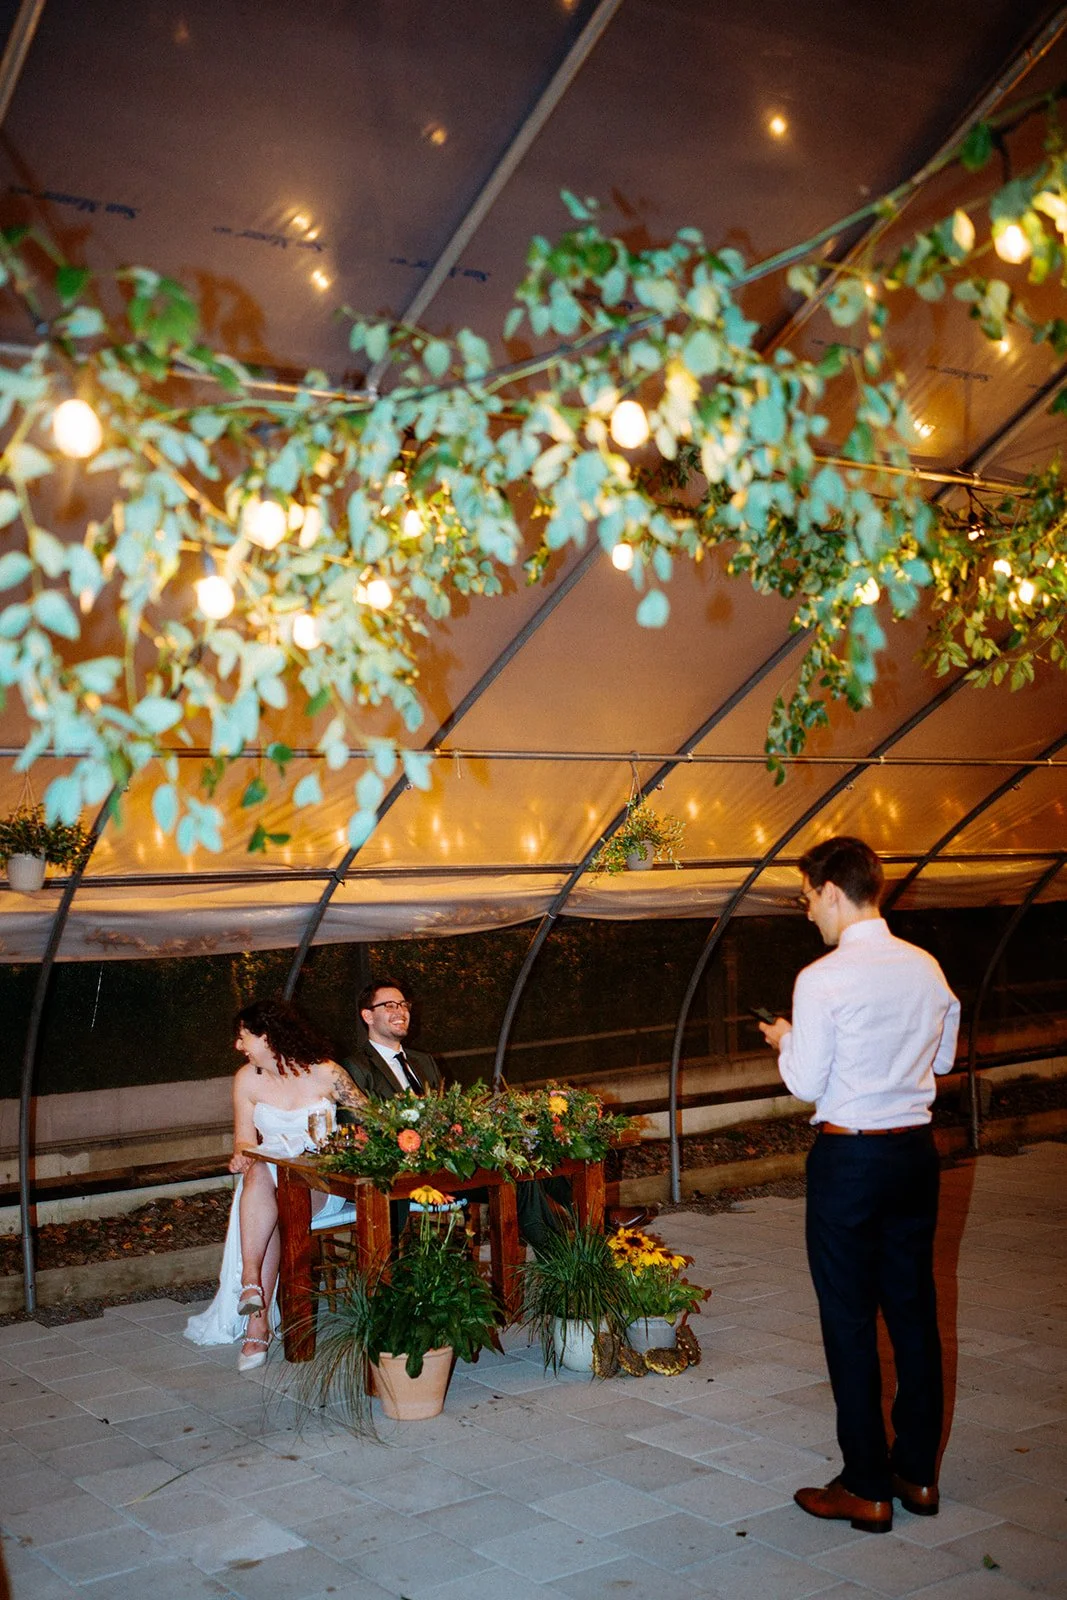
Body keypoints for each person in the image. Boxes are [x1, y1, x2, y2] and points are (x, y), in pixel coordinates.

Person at [759, 836, 960, 1535]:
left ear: (834, 893)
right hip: (913, 1155)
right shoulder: (926, 967)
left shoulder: (820, 979)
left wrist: (787, 1039)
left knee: (847, 1319)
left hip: (849, 1160)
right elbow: (939, 1057)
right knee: (912, 1313)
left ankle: (865, 1486)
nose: (808, 911)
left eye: (807, 897)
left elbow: (807, 1082)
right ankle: (918, 1474)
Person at [184, 998, 367, 1370]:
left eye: (243, 1037)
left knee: (276, 1201)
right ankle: (252, 1288)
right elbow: (244, 1139)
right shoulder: (246, 1079)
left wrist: (357, 1139)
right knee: (259, 1176)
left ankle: (256, 1312)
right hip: (266, 1178)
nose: (238, 1046)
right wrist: (241, 1155)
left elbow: (371, 1119)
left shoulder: (326, 1072)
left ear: (267, 1038)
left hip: (320, 1181)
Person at [348, 978, 571, 1254]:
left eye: (404, 1004)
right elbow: (357, 1125)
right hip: (408, 1175)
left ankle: (577, 1239)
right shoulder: (356, 1066)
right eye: (389, 1005)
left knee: (526, 1154)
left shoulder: (423, 1061)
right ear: (367, 1015)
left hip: (452, 1164)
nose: (401, 1011)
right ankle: (565, 1258)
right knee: (519, 1175)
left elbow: (448, 1113)